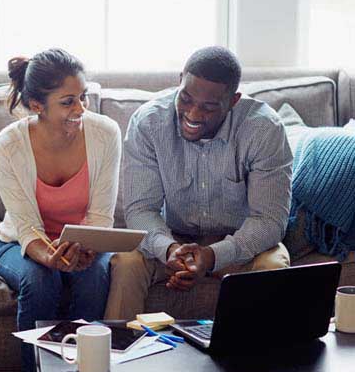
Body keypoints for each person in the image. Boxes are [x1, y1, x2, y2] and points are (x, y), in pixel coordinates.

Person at [104, 46, 293, 321]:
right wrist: (168, 249)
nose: (193, 114)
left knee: (273, 265)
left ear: (233, 101)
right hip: (173, 240)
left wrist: (212, 256)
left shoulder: (264, 130)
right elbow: (140, 210)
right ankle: (119, 357)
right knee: (127, 261)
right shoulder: (148, 123)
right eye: (186, 98)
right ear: (180, 80)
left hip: (238, 245)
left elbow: (269, 220)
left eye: (209, 107)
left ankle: (255, 361)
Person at [0, 48, 121, 372]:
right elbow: (26, 226)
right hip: (22, 243)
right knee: (39, 280)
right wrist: (51, 257)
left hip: (86, 240)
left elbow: (100, 215)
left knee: (92, 277)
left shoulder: (106, 133)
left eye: (83, 97)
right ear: (37, 106)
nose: (81, 109)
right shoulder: (7, 146)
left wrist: (84, 247)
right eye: (67, 102)